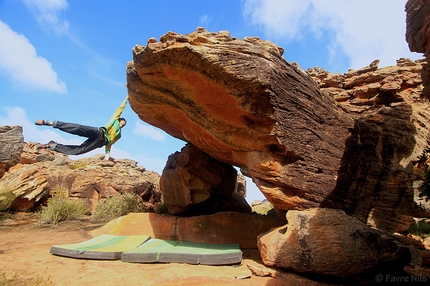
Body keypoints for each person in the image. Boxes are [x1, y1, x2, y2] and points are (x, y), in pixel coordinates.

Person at [35, 96, 129, 160]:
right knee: (79, 128)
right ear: (119, 120)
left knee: (79, 151)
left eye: (124, 125)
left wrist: (107, 154)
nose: (123, 124)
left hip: (101, 142)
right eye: (122, 122)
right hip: (100, 132)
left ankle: (53, 145)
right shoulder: (115, 120)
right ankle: (52, 123)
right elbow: (119, 110)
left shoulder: (119, 135)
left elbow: (110, 144)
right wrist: (125, 100)